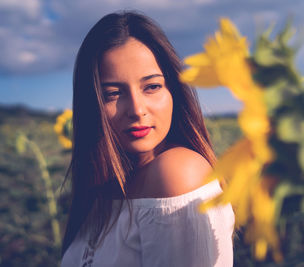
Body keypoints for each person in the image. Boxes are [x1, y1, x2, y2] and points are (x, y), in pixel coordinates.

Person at [60, 11, 235, 267]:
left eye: (152, 87)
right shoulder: (106, 186)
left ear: (173, 91)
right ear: (91, 105)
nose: (137, 109)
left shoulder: (177, 174)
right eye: (112, 94)